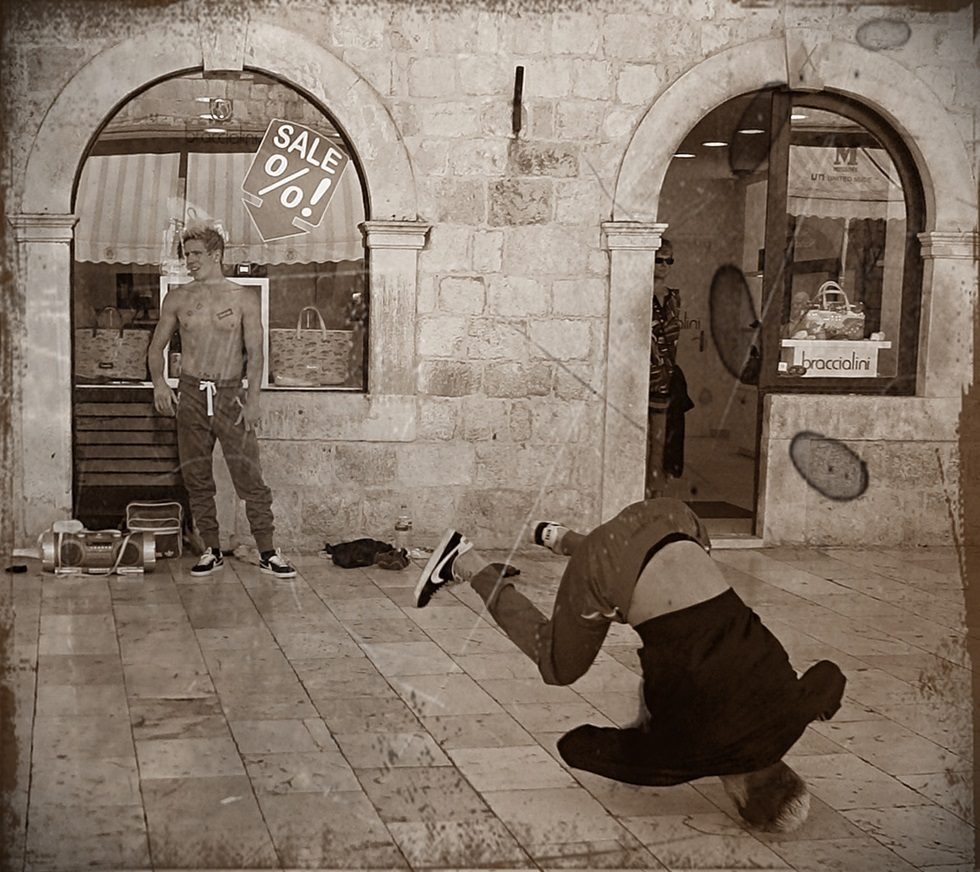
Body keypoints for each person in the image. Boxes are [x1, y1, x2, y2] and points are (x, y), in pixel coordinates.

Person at [413, 499, 846, 833]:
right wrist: (649, 744)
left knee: (651, 590)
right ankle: (464, 562)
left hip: (678, 521)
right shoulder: (691, 755)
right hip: (607, 560)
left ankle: (562, 538)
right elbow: (577, 747)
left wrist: (821, 708)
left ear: (788, 771)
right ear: (738, 799)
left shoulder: (795, 710)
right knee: (557, 665)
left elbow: (831, 674)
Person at [147, 224, 296, 579]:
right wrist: (160, 384)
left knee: (249, 475)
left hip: (230, 394)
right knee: (197, 475)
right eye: (187, 255)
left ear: (216, 255)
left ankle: (268, 551)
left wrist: (254, 400)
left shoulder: (243, 297)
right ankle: (211, 549)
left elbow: (256, 354)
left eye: (196, 254)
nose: (190, 261)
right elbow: (156, 348)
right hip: (191, 394)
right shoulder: (178, 298)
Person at [647, 239, 683, 498]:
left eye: (669, 260)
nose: (664, 265)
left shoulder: (673, 297)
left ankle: (655, 488)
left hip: (665, 376)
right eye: (658, 259)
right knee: (642, 435)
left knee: (661, 437)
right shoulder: (641, 294)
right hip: (643, 374)